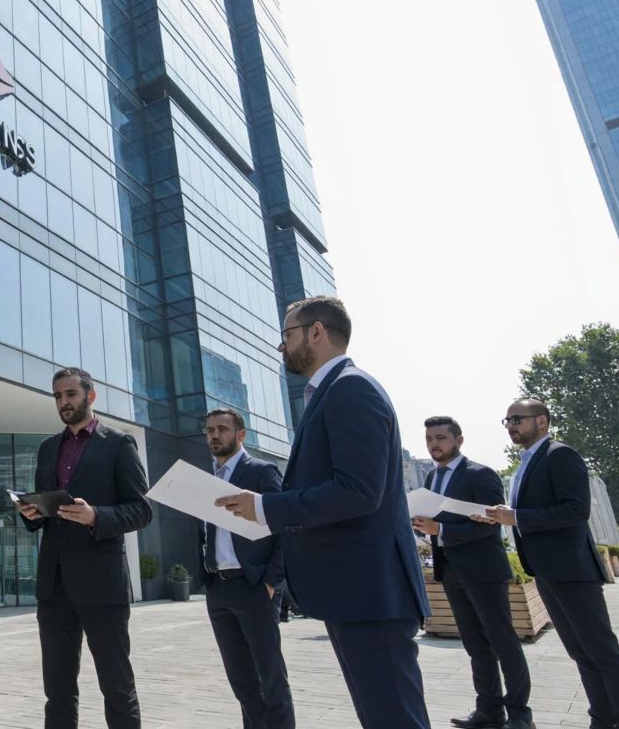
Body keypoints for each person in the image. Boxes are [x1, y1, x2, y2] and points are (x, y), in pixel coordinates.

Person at [216, 296, 430, 729]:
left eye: (286, 335)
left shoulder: (351, 389)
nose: (281, 348)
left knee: (393, 718)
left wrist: (264, 507)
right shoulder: (331, 392)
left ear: (316, 332)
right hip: (354, 591)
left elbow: (358, 491)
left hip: (369, 591)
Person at [475, 399, 619, 729]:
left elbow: (576, 511)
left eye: (517, 419)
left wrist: (518, 517)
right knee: (581, 653)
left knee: (603, 653)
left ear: (541, 421)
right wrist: (504, 515)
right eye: (507, 420)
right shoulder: (527, 462)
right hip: (547, 571)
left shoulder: (560, 454)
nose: (511, 425)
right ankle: (602, 719)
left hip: (572, 571)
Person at [19, 366, 151, 729]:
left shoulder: (118, 443)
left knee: (117, 688)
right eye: (58, 396)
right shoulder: (47, 448)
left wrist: (96, 516)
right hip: (54, 586)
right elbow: (45, 515)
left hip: (102, 586)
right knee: (57, 692)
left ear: (90, 396)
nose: (63, 402)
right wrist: (31, 513)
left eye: (70, 395)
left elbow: (141, 509)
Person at [412, 416, 532, 729]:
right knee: (475, 645)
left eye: (440, 438)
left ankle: (520, 716)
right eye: (429, 439)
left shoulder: (481, 475)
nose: (434, 444)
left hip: (483, 570)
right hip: (450, 571)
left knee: (503, 643)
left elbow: (490, 525)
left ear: (459, 440)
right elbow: (434, 526)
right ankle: (489, 711)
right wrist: (422, 526)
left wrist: (441, 529)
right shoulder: (430, 479)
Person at [200, 408, 293, 729]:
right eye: (209, 430)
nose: (214, 435)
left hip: (254, 586)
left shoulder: (261, 472)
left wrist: (272, 581)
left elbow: (287, 528)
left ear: (241, 434)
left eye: (222, 429)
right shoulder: (205, 479)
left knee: (271, 680)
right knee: (242, 682)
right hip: (218, 589)